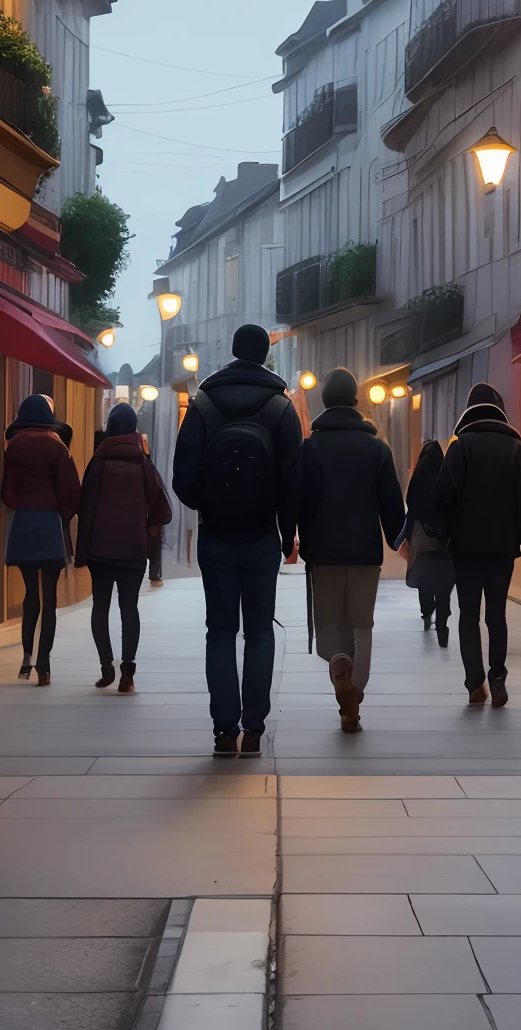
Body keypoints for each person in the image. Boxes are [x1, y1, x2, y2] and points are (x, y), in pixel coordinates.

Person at [171, 323, 302, 756]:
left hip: (218, 538)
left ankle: (224, 729)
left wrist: (211, 503)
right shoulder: (281, 410)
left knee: (220, 632)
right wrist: (288, 533)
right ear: (265, 354)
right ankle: (254, 728)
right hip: (263, 536)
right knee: (260, 632)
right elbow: (292, 481)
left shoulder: (203, 405)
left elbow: (183, 481)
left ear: (231, 350)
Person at [298, 368, 406, 732]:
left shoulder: (310, 448)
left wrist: (293, 537)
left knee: (330, 622)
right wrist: (398, 540)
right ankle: (354, 695)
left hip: (323, 551)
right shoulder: (377, 449)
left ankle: (339, 674)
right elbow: (391, 504)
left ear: (324, 402)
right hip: (364, 552)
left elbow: (299, 500)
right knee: (362, 624)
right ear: (356, 402)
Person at [434, 383, 521, 708]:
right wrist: (520, 534)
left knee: (468, 615)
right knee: (497, 614)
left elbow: (441, 497)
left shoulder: (460, 447)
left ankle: (474, 683)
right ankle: (498, 677)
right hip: (503, 548)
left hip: (465, 549)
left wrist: (450, 529)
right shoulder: (518, 449)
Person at [76, 401, 172, 691]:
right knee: (129, 607)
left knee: (100, 607)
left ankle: (107, 666)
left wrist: (82, 552)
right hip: (132, 550)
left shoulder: (98, 463)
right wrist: (148, 529)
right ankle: (127, 673)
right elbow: (163, 510)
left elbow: (86, 508)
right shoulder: (143, 464)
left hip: (100, 552)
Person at [0, 392, 81, 685]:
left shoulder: (13, 449)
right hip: (49, 524)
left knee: (29, 594)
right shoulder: (58, 449)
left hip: (23, 523)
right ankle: (44, 665)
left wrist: (22, 505)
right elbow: (71, 491)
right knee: (50, 599)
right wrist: (63, 513)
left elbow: (6, 493)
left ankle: (26, 657)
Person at [400, 439, 455, 645]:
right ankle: (442, 621)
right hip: (443, 536)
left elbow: (411, 504)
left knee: (424, 573)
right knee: (443, 577)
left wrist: (407, 536)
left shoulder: (419, 478)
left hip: (421, 534)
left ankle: (426, 609)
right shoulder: (446, 477)